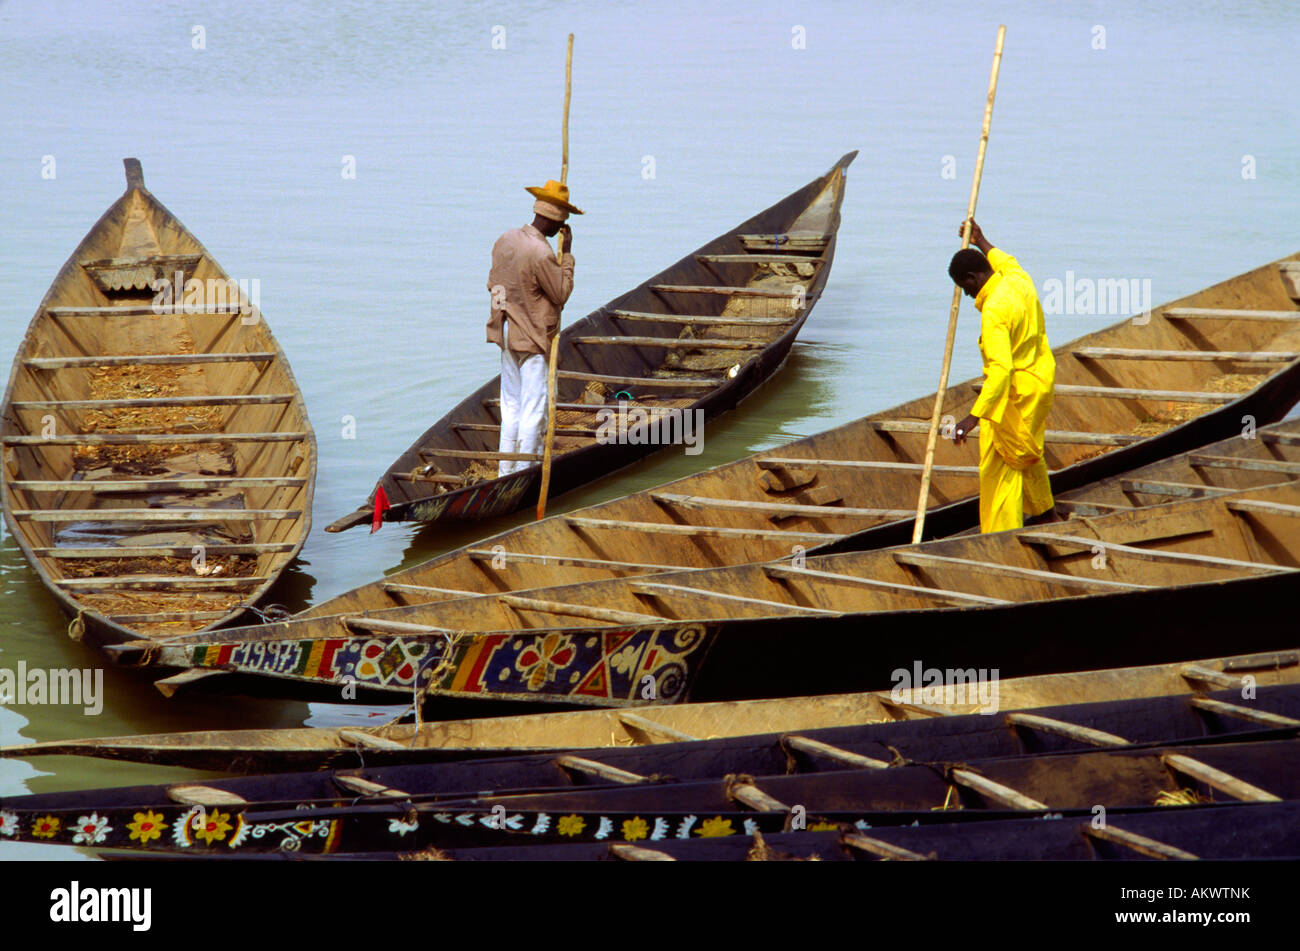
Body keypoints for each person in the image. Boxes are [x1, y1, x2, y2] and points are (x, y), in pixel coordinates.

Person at [948, 219, 1057, 532]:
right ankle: (1046, 513)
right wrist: (981, 239)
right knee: (1025, 450)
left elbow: (1001, 369)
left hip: (1017, 391)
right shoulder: (1017, 279)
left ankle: (1002, 535)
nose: (967, 296)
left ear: (973, 278)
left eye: (965, 288)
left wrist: (973, 418)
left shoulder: (994, 311)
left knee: (1000, 464)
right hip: (1041, 381)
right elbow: (1004, 259)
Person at [486, 180, 582, 476]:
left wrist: (506, 312)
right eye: (561, 223)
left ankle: (506, 470)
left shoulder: (505, 239)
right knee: (533, 408)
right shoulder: (541, 253)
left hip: (505, 332)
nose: (559, 230)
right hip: (532, 339)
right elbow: (560, 294)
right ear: (554, 222)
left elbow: (494, 284)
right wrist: (566, 257)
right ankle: (526, 470)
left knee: (511, 404)